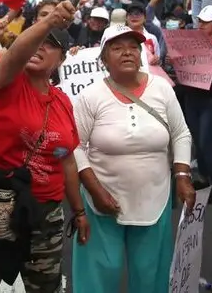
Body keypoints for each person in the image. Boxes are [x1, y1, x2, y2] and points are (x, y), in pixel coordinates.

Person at [0, 0, 87, 292]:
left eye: (50, 44)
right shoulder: (5, 80)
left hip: (44, 212)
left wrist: (79, 211)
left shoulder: (63, 102)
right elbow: (16, 54)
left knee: (45, 286)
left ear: (62, 60)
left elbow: (66, 159)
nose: (40, 45)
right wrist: (49, 22)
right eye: (36, 38)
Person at [72, 25, 195, 293]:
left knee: (150, 273)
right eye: (117, 48)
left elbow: (181, 133)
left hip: (154, 197)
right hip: (101, 202)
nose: (127, 52)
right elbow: (76, 147)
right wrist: (95, 189)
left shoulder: (161, 88)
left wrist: (183, 176)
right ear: (103, 59)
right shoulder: (90, 96)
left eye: (133, 47)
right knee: (99, 273)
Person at [178, 5, 212, 199]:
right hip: (193, 97)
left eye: (205, 22)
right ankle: (204, 177)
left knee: (206, 141)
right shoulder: (191, 42)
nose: (200, 25)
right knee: (197, 140)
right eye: (200, 21)